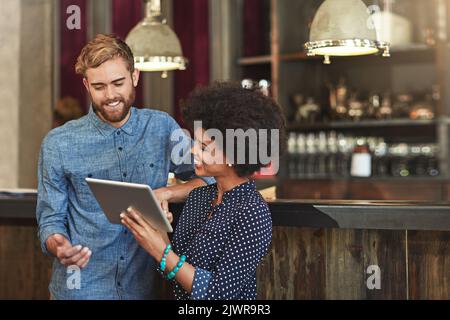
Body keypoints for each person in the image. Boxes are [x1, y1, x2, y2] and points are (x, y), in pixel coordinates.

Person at [36, 34, 212, 300]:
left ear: (135, 77)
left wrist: (165, 192)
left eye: (118, 83)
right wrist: (58, 245)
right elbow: (50, 220)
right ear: (86, 85)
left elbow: (208, 181)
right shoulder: (58, 143)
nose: (110, 96)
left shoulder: (162, 128)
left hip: (140, 291)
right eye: (99, 86)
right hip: (79, 291)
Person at [121, 82, 286, 300]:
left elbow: (219, 295)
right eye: (196, 142)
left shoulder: (252, 212)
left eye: (205, 147)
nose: (193, 150)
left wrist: (160, 250)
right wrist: (156, 227)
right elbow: (172, 270)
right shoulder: (199, 197)